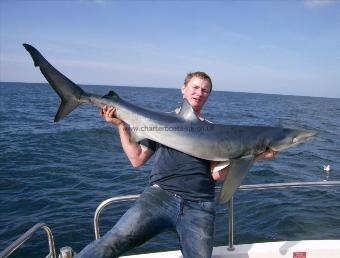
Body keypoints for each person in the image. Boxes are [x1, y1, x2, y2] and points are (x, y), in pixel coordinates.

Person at [76, 72, 276, 258]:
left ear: (208, 95)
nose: (199, 93)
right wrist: (121, 126)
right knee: (112, 241)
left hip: (199, 205)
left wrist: (254, 157)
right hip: (160, 196)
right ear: (183, 89)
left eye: (205, 90)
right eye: (195, 87)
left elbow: (215, 175)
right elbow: (136, 159)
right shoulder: (157, 122)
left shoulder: (214, 132)